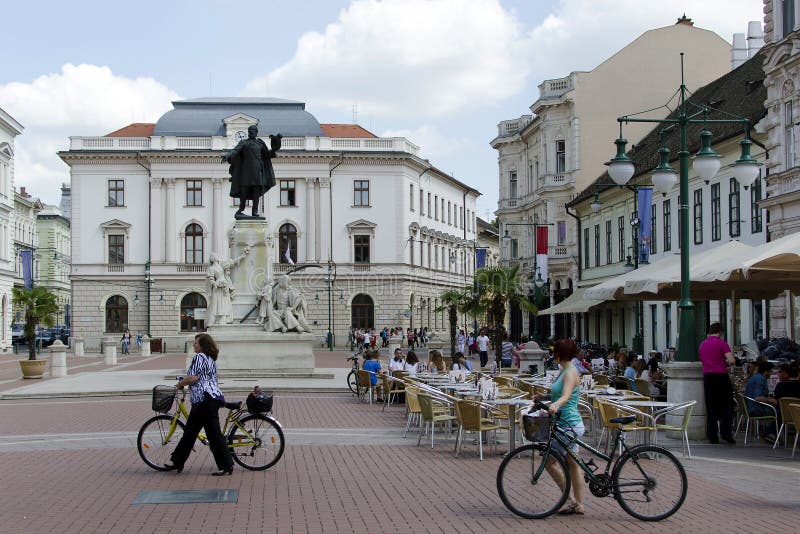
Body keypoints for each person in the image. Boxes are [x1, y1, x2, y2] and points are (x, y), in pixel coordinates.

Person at [165, 333, 234, 476]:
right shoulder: (211, 359)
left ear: (202, 346)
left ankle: (226, 465)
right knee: (190, 433)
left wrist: (180, 384)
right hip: (210, 398)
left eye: (196, 343)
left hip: (204, 400)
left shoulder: (199, 357)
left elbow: (193, 377)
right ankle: (177, 462)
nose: (194, 345)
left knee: (213, 435)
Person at [535, 339, 585, 515]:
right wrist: (545, 397)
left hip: (568, 424)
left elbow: (566, 396)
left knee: (548, 462)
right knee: (573, 463)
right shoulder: (564, 371)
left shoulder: (570, 372)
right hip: (567, 423)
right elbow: (559, 393)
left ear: (559, 354)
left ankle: (570, 500)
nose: (552, 354)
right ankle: (578, 504)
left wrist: (556, 405)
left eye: (554, 352)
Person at [221, 124, 281, 219]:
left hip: (258, 172)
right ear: (248, 133)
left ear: (256, 133)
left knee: (256, 193)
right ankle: (241, 210)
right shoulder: (244, 143)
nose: (253, 132)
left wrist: (275, 147)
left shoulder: (260, 144)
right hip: (246, 171)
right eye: (251, 130)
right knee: (243, 192)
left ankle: (255, 211)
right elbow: (235, 151)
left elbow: (268, 155)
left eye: (254, 131)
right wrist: (227, 155)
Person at [699, 322, 736, 444]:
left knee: (710, 407)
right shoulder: (722, 343)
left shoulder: (703, 345)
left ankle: (712, 436)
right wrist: (723, 361)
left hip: (708, 377)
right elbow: (731, 360)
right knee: (726, 406)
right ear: (720, 332)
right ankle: (726, 434)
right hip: (721, 377)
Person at [744, 361, 778, 442]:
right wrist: (771, 400)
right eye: (770, 371)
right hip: (755, 409)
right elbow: (758, 398)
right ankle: (769, 433)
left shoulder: (755, 377)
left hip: (750, 407)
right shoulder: (760, 379)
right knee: (779, 413)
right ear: (766, 371)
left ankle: (769, 431)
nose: (771, 373)